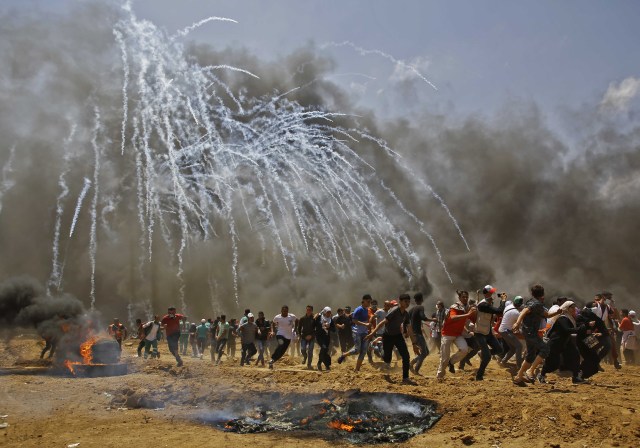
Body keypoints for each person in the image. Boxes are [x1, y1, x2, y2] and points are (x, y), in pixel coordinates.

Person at [512, 284, 561, 386]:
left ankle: (518, 377)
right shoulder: (536, 304)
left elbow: (546, 315)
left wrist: (557, 312)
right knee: (545, 349)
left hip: (528, 331)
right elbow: (524, 311)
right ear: (542, 294)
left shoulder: (532, 301)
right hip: (530, 332)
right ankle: (530, 371)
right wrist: (517, 322)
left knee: (530, 356)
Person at [539, 301, 594, 383]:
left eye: (574, 307)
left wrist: (586, 327)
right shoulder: (563, 318)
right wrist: (583, 328)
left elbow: (575, 328)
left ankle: (576, 377)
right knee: (553, 364)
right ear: (566, 308)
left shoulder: (570, 318)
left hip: (566, 342)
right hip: (556, 342)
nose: (574, 309)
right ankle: (541, 375)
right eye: (572, 307)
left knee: (575, 356)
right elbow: (567, 330)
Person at [366, 294, 414, 384]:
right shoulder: (394, 311)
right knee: (387, 358)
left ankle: (405, 378)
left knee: (406, 356)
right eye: (405, 301)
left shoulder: (406, 314)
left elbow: (409, 328)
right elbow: (382, 323)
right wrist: (372, 333)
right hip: (388, 336)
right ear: (400, 302)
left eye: (408, 301)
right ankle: (375, 347)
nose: (407, 303)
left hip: (398, 336)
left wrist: (414, 344)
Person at [436, 290, 476, 381]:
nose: (465, 298)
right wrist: (468, 314)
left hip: (458, 334)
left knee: (464, 350)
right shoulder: (455, 306)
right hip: (447, 334)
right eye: (463, 297)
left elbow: (463, 322)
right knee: (444, 358)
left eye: (466, 297)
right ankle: (440, 375)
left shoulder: (467, 307)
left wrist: (469, 329)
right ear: (459, 298)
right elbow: (453, 318)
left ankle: (451, 362)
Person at [472, 285, 506, 381]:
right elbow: (499, 311)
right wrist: (503, 300)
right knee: (487, 357)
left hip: (487, 332)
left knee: (499, 349)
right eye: (491, 292)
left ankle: (482, 353)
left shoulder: (488, 304)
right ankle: (479, 376)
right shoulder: (483, 305)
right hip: (479, 333)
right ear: (486, 293)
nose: (493, 294)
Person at [337, 294, 373, 372]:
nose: (369, 303)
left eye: (370, 301)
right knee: (357, 350)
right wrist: (365, 324)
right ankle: (344, 355)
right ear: (363, 301)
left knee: (363, 352)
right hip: (357, 333)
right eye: (368, 301)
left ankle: (357, 369)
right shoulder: (358, 309)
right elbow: (354, 320)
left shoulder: (367, 310)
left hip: (365, 332)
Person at [592, 292, 622, 369]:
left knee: (612, 344)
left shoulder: (608, 307)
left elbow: (615, 316)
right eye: (596, 300)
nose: (596, 301)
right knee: (592, 346)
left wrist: (613, 306)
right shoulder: (593, 307)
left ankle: (615, 361)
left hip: (605, 330)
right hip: (593, 330)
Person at [407, 292, 433, 375]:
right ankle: (415, 370)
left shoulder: (411, 310)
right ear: (422, 299)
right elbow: (423, 317)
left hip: (413, 334)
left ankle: (411, 363)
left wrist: (406, 332)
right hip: (417, 334)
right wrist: (434, 320)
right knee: (424, 353)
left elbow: (406, 321)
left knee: (426, 352)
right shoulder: (420, 307)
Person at [269, 305, 297, 369]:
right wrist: (273, 331)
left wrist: (295, 328)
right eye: (284, 311)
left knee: (282, 352)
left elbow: (297, 320)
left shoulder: (291, 316)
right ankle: (272, 358)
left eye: (286, 311)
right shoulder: (277, 317)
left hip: (288, 336)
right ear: (281, 311)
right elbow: (273, 323)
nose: (285, 312)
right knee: (281, 344)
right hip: (280, 334)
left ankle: (272, 361)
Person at [498, 296, 524, 367]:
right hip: (506, 331)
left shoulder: (508, 306)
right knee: (519, 346)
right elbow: (521, 324)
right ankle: (519, 366)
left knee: (513, 348)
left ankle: (503, 361)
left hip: (502, 330)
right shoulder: (516, 313)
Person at [314, 306, 335, 371]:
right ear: (325, 312)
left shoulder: (330, 319)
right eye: (328, 312)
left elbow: (334, 329)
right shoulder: (319, 317)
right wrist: (314, 318)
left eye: (330, 312)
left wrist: (329, 327)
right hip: (319, 336)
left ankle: (325, 365)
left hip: (326, 337)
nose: (329, 314)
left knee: (325, 351)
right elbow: (313, 324)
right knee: (324, 348)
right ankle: (320, 363)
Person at [297, 305, 316, 369]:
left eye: (310, 310)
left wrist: (311, 335)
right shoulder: (302, 318)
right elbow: (299, 328)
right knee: (303, 349)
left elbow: (317, 328)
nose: (308, 311)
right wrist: (300, 335)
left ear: (312, 311)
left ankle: (309, 364)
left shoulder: (314, 318)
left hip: (312, 337)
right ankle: (305, 357)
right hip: (304, 337)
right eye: (307, 310)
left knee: (310, 350)